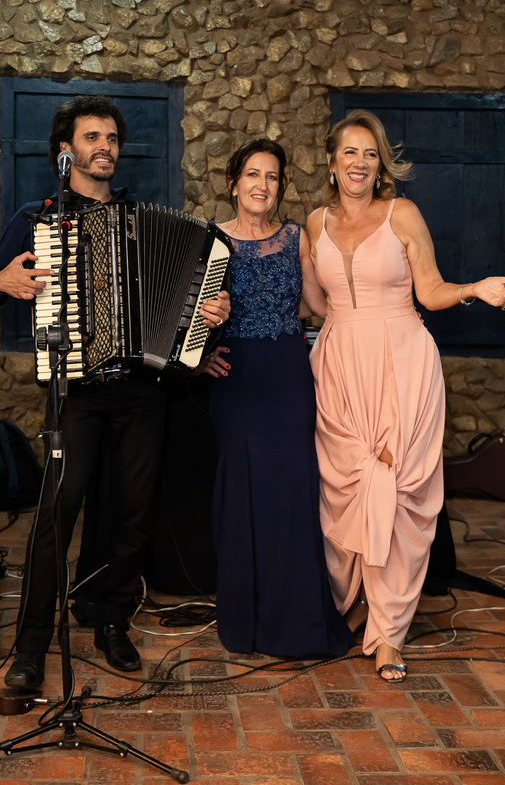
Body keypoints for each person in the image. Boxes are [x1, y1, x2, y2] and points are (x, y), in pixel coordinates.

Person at [0, 95, 230, 690]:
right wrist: (1, 280)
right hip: (77, 395)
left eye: (113, 139)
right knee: (54, 516)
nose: (106, 148)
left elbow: (183, 305)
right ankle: (33, 643)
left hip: (142, 392)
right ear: (66, 150)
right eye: (94, 137)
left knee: (134, 514)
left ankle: (113, 619)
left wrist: (208, 312)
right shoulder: (37, 216)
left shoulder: (139, 219)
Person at [304, 111, 505, 682]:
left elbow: (429, 291)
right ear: (330, 163)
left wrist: (476, 288)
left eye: (370, 154)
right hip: (338, 366)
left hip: (402, 362)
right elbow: (314, 305)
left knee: (397, 494)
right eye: (349, 153)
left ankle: (388, 635)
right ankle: (348, 609)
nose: (359, 163)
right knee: (343, 490)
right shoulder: (313, 224)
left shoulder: (403, 214)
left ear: (381, 164)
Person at [199, 139, 353, 657]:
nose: (262, 185)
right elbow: (182, 316)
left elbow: (317, 304)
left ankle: (297, 623)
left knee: (290, 496)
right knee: (240, 497)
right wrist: (200, 357)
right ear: (233, 184)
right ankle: (245, 621)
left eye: (271, 177)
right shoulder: (210, 240)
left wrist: (381, 307)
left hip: (288, 378)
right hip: (236, 379)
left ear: (279, 187)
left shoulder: (295, 238)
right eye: (252, 175)